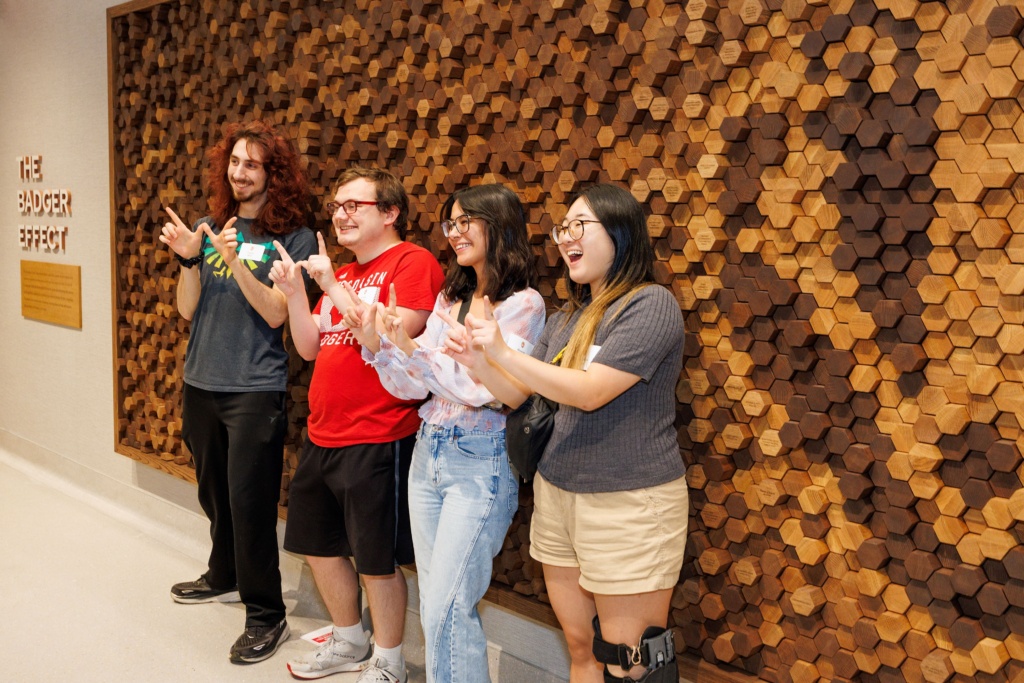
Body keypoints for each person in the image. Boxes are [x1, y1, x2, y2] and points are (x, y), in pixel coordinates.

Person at [445, 184, 688, 683]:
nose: (565, 239)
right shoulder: (568, 317)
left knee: (630, 659)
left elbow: (592, 391)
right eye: (563, 229)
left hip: (628, 503)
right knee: (582, 649)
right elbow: (519, 395)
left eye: (580, 225)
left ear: (621, 231)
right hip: (558, 495)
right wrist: (478, 361)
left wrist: (505, 354)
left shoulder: (651, 305)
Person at [346, 184, 545, 683]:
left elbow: (481, 388)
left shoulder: (524, 304)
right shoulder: (450, 297)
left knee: (448, 606)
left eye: (465, 222)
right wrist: (385, 344)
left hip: (481, 461)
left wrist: (412, 350)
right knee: (437, 601)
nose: (454, 233)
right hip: (427, 452)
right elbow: (414, 387)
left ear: (498, 225)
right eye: (450, 224)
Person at [271, 167, 444, 683]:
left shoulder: (412, 262)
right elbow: (308, 345)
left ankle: (390, 658)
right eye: (336, 206)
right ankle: (348, 639)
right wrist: (299, 292)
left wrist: (327, 281)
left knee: (375, 558)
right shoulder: (342, 273)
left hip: (379, 434)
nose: (341, 215)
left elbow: (396, 335)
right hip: (323, 432)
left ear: (390, 213)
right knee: (319, 546)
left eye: (354, 206)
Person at [159, 119, 317, 663]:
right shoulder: (210, 225)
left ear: (275, 174)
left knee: (250, 505)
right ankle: (222, 573)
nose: (240, 172)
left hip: (254, 390)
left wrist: (230, 259)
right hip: (200, 381)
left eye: (252, 164)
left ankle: (266, 616)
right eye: (235, 162)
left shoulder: (291, 238)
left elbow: (277, 313)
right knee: (213, 493)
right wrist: (190, 259)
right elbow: (186, 308)